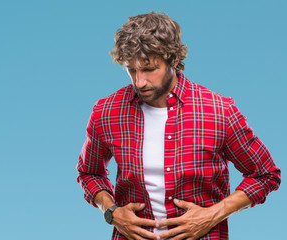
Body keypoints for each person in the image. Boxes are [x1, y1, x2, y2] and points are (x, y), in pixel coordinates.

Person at [76, 11, 281, 240]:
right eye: (131, 69)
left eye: (149, 69)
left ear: (173, 60)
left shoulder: (218, 111)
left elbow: (265, 174)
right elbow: (89, 173)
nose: (139, 81)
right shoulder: (107, 111)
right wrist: (111, 211)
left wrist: (213, 215)